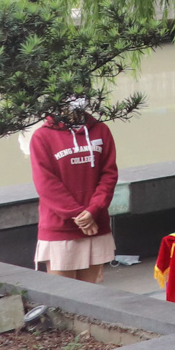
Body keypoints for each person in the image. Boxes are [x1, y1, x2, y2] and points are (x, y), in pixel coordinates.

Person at [30, 100, 118, 285]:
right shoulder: (42, 136)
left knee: (93, 294)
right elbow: (45, 183)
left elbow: (109, 174)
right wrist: (77, 214)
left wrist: (94, 210)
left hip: (95, 225)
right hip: (60, 228)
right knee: (62, 295)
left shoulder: (100, 129)